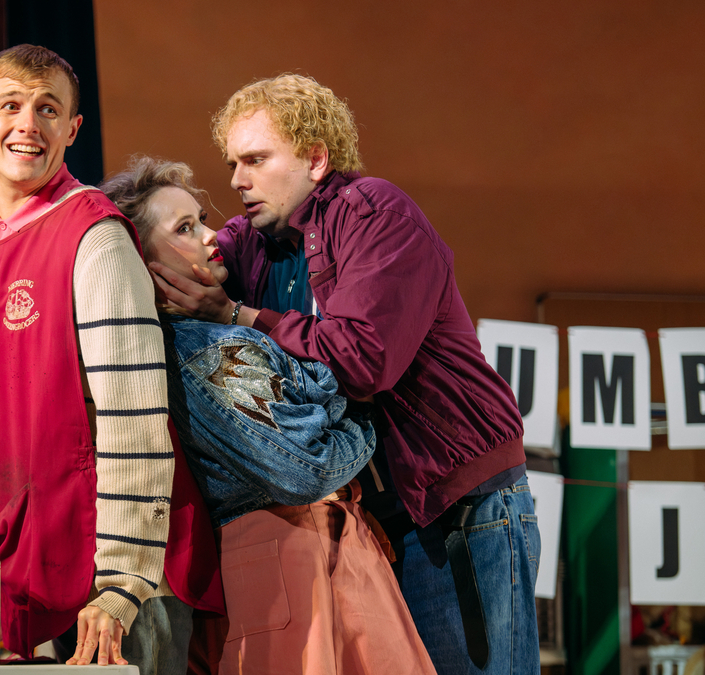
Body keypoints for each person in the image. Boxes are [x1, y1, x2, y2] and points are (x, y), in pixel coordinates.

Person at [147, 74, 541, 674]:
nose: (236, 180)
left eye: (255, 159)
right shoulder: (252, 240)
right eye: (232, 162)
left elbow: (363, 360)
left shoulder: (375, 213)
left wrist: (238, 315)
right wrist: (18, 189)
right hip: (377, 520)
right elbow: (149, 246)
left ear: (315, 158)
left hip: (459, 506)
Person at [99, 156, 436, 675]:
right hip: (289, 561)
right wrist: (363, 413)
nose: (213, 237)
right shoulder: (208, 350)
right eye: (186, 228)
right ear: (143, 264)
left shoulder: (205, 341)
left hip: (307, 556)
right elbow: (309, 469)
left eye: (202, 220)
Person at [0, 45, 222, 674]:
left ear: (72, 129)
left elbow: (133, 412)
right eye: (10, 106)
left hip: (121, 580)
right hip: (37, 568)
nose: (28, 124)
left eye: (48, 109)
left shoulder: (94, 235)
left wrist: (123, 582)